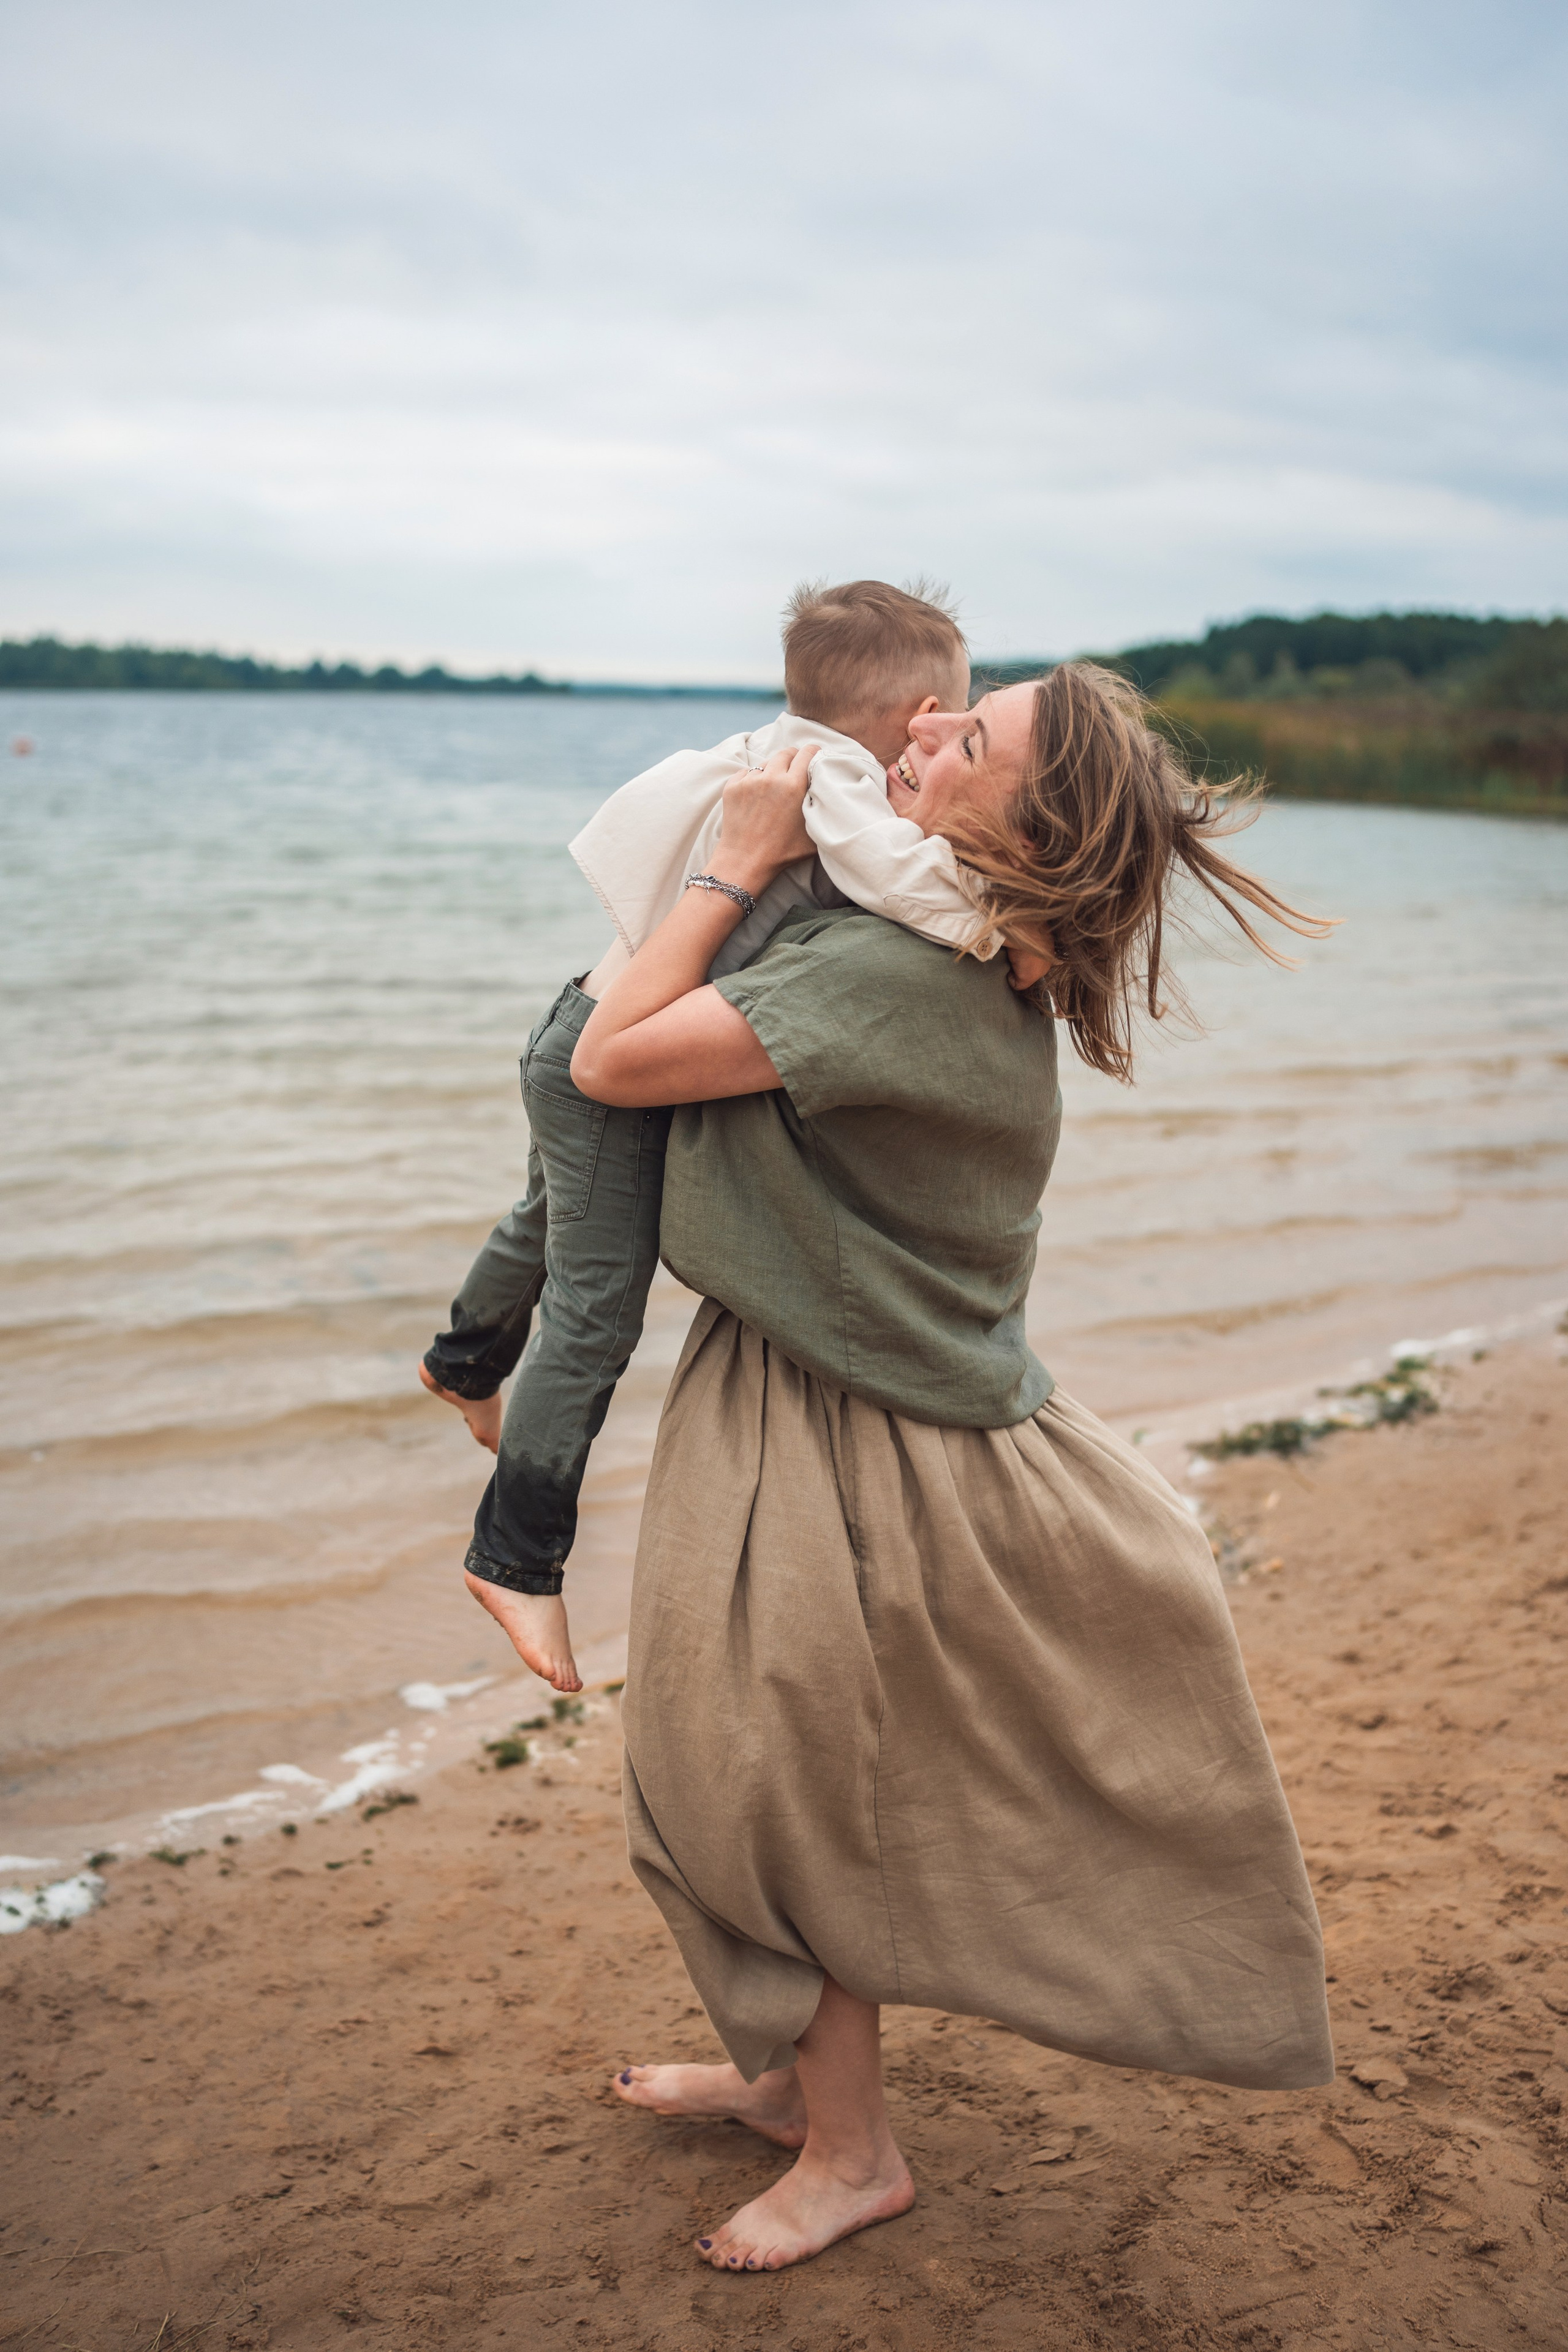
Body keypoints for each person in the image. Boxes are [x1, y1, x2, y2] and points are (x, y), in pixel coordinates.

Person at [522, 660, 1338, 2275]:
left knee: (765, 1795)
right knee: (761, 1774)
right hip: (813, 1397)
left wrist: (726, 864)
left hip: (841, 1436)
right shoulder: (951, 949)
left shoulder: (904, 981)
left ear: (1020, 819)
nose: (918, 732)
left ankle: (851, 2155)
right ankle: (786, 2089)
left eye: (969, 737)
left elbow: (609, 1060)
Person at [420, 581, 1045, 1692]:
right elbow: (903, 883)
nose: (943, 729)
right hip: (602, 1063)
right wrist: (1006, 924)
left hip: (576, 1019)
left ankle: (464, 1360)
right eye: (946, 710)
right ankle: (515, 1556)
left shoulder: (771, 746)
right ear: (908, 711)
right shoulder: (831, 783)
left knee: (549, 1217)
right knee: (597, 1300)